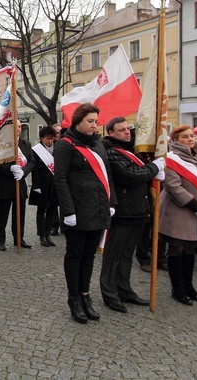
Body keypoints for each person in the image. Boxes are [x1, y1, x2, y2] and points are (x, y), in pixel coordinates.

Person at [54, 103, 116, 324]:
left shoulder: (97, 144)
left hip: (98, 206)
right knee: (75, 254)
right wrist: (68, 211)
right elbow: (60, 180)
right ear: (78, 121)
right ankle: (74, 298)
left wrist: (112, 202)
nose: (94, 125)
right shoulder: (65, 145)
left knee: (89, 255)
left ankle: (85, 295)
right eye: (90, 121)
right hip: (77, 209)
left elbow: (107, 174)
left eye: (96, 121)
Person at [99, 117, 164, 312]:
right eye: (121, 130)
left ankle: (124, 289)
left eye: (128, 129)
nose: (127, 132)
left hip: (138, 211)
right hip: (122, 212)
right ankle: (109, 293)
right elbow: (131, 176)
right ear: (111, 133)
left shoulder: (132, 151)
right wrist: (154, 168)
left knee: (127, 255)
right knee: (114, 255)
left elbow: (140, 171)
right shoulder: (111, 153)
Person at [159, 125, 197, 306]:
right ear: (175, 140)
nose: (191, 139)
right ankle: (178, 289)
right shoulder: (171, 159)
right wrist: (194, 204)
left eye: (192, 136)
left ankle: (189, 286)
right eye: (185, 137)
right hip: (179, 210)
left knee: (191, 248)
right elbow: (173, 186)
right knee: (177, 248)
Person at [0, 134, 35, 250]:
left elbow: (31, 161)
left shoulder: (26, 144)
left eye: (20, 127)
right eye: (16, 127)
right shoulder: (2, 144)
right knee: (2, 216)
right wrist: (9, 169)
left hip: (20, 184)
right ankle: (0, 240)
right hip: (5, 185)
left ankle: (19, 239)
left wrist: (24, 171)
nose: (18, 129)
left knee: (20, 215)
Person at [29, 125, 59, 247]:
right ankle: (41, 235)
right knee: (41, 210)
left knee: (52, 209)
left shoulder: (57, 149)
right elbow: (34, 169)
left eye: (52, 139)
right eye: (47, 138)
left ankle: (48, 234)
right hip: (41, 184)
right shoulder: (36, 150)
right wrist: (36, 185)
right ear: (42, 138)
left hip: (54, 184)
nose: (50, 141)